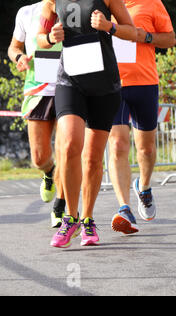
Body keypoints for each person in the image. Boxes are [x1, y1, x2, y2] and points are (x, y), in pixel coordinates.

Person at [37, 0, 137, 248]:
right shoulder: (52, 1)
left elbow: (132, 31)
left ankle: (88, 219)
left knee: (92, 157)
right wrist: (50, 38)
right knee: (70, 144)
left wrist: (109, 26)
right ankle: (70, 217)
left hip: (104, 85)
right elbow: (39, 38)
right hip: (70, 81)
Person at [109, 0, 176, 235]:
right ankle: (124, 207)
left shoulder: (151, 3)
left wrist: (144, 37)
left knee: (146, 150)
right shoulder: (102, 4)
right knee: (117, 145)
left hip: (145, 83)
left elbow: (170, 39)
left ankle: (144, 187)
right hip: (112, 84)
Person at [8, 0, 66, 228]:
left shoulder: (75, 8)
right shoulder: (26, 13)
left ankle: (60, 207)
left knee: (65, 152)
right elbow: (14, 47)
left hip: (68, 86)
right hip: (38, 89)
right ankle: (49, 173)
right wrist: (19, 57)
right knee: (39, 157)